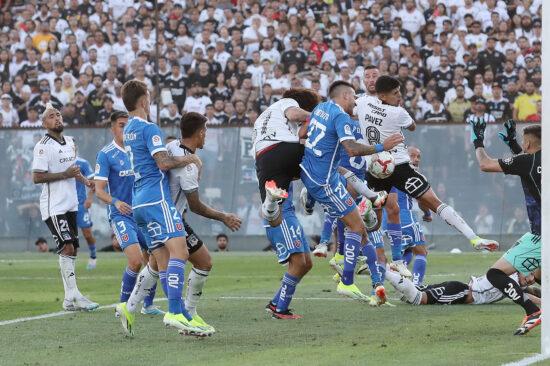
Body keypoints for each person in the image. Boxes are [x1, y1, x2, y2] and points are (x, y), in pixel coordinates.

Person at [357, 76, 499, 275]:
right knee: (434, 201)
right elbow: (412, 126)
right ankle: (473, 237)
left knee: (376, 221)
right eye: (395, 93)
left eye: (400, 92)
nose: (400, 96)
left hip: (375, 169)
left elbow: (352, 111)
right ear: (383, 95)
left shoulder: (363, 103)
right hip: (399, 167)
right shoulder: (398, 113)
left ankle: (368, 251)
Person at [116, 80, 210, 337]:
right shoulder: (149, 128)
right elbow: (163, 162)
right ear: (145, 102)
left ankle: (172, 312)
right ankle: (175, 312)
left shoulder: (128, 130)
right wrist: (190, 157)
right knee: (180, 251)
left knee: (164, 261)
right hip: (156, 199)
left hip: (138, 203)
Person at [300, 80, 403, 302]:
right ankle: (347, 282)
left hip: (313, 172)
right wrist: (381, 147)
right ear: (345, 95)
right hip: (325, 182)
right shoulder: (340, 116)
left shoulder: (320, 107)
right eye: (354, 96)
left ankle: (376, 284)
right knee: (357, 226)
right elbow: (352, 149)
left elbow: (303, 132)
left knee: (360, 229)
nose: (356, 102)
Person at [167, 112, 242, 331]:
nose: (206, 135)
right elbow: (196, 206)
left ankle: (128, 306)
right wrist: (224, 217)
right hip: (172, 220)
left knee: (153, 267)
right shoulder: (188, 166)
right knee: (204, 262)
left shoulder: (171, 148)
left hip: (161, 215)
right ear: (200, 133)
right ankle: (187, 314)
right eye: (206, 131)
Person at [470, 120, 541, 336]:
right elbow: (528, 165)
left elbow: (485, 164)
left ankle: (533, 311)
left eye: (522, 141)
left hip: (542, 235)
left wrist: (477, 141)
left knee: (495, 274)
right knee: (538, 274)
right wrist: (512, 144)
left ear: (527, 144)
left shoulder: (528, 161)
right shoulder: (536, 159)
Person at [95, 110, 164, 317]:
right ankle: (123, 306)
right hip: (121, 215)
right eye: (121, 125)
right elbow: (99, 189)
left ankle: (148, 305)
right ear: (113, 128)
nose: (125, 129)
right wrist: (115, 202)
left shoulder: (139, 150)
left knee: (156, 259)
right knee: (135, 261)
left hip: (143, 213)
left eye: (128, 125)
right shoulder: (106, 153)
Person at [32, 103, 98, 311]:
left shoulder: (69, 142)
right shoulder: (43, 146)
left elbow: (73, 171)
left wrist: (87, 182)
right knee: (67, 247)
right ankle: (75, 296)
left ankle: (69, 300)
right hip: (54, 206)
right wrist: (65, 175)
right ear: (44, 124)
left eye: (59, 115)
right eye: (52, 116)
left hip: (71, 205)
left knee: (73, 249)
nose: (57, 118)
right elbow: (37, 176)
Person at [252, 87, 321, 228]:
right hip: (284, 146)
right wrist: (319, 116)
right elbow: (295, 115)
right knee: (327, 161)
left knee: (274, 219)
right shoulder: (287, 101)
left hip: (263, 159)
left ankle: (271, 202)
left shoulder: (263, 117)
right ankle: (310, 194)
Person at [382, 147, 430, 286]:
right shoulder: (411, 173)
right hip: (405, 218)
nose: (416, 159)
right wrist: (427, 213)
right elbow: (422, 200)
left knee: (408, 250)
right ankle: (416, 286)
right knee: (421, 252)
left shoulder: (388, 169)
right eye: (413, 156)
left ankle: (398, 277)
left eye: (419, 156)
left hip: (388, 221)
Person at [264, 182, 312, 319]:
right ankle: (281, 310)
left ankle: (275, 303)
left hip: (289, 214)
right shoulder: (271, 163)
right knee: (298, 263)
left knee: (307, 263)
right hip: (282, 216)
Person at [385, 269, 539, 306]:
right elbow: (524, 296)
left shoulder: (511, 276)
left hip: (459, 288)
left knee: (409, 295)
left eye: (533, 278)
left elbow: (531, 290)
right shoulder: (511, 280)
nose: (531, 279)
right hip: (460, 293)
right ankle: (383, 270)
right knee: (418, 299)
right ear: (520, 269)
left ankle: (388, 271)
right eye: (530, 274)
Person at [74, 153, 97, 269]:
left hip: (82, 204)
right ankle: (69, 262)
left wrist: (90, 198)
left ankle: (93, 257)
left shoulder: (82, 163)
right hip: (66, 206)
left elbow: (93, 182)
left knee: (87, 233)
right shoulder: (60, 162)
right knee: (69, 236)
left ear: (76, 147)